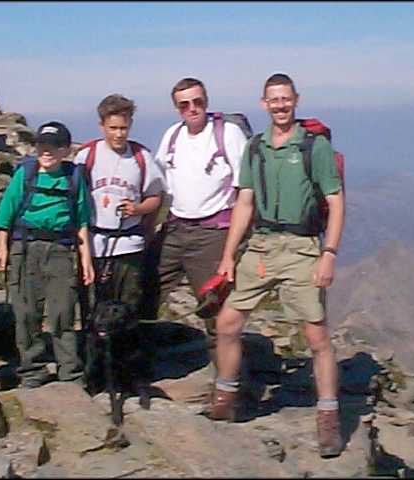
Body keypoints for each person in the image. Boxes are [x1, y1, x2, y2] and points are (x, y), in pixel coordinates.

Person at [212, 73, 345, 458]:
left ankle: (328, 419)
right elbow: (245, 203)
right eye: (274, 100)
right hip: (262, 246)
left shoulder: (313, 147)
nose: (280, 105)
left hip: (303, 248)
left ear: (296, 100)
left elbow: (335, 201)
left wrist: (329, 253)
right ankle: (225, 397)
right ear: (263, 103)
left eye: (286, 99)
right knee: (227, 323)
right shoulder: (255, 147)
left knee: (317, 337)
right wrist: (228, 254)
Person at [150, 77, 248, 368]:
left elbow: (246, 190)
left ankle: (226, 386)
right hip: (176, 227)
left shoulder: (227, 133)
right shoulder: (172, 136)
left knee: (214, 307)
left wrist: (233, 248)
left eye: (198, 102)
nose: (192, 109)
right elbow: (158, 183)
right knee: (145, 287)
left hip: (213, 231)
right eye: (184, 104)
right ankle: (135, 365)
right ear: (177, 108)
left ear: (206, 101)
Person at [0, 121, 95, 389]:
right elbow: (6, 214)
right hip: (25, 248)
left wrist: (85, 259)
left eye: (54, 146)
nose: (46, 152)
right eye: (42, 145)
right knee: (26, 311)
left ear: (65, 151)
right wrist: (3, 248)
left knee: (63, 311)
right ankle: (31, 369)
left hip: (61, 250)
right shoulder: (25, 175)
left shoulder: (74, 179)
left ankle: (69, 371)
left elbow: (82, 221)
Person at [74, 94, 163, 310]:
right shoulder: (87, 156)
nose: (119, 134)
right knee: (93, 309)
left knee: (126, 309)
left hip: (129, 246)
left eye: (123, 128)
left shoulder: (141, 157)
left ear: (130, 124)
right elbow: (76, 198)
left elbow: (156, 197)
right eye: (113, 128)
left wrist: (138, 209)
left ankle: (126, 345)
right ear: (101, 125)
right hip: (94, 245)